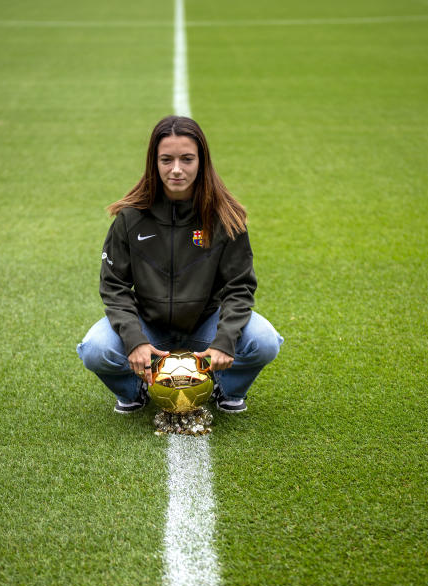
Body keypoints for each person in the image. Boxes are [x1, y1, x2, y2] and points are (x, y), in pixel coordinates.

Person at [77, 115, 282, 414]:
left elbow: (240, 287)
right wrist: (135, 340)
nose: (176, 169)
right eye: (166, 159)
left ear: (202, 161)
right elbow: (114, 286)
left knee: (264, 341)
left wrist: (225, 341)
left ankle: (227, 389)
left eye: (187, 159)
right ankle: (136, 391)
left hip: (205, 324)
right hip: (150, 326)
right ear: (154, 162)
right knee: (95, 350)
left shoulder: (226, 217)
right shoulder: (130, 218)